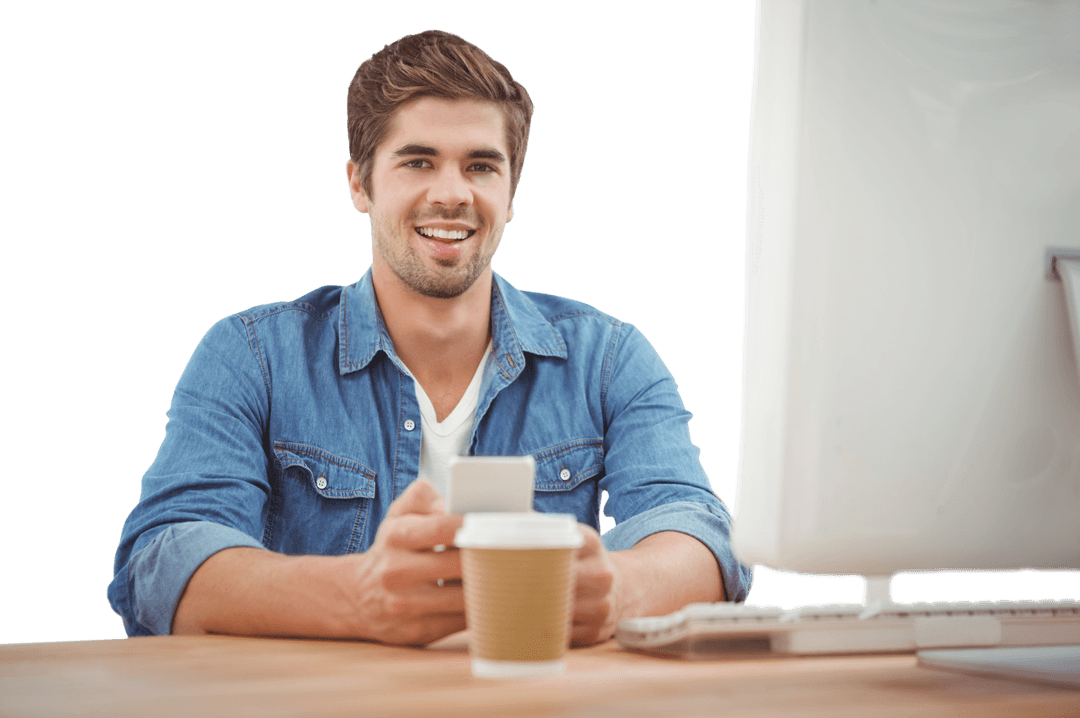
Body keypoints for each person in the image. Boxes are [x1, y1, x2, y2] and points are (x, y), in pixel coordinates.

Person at [107, 29, 752, 647]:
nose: (452, 194)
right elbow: (163, 562)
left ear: (511, 192)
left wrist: (614, 589)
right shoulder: (251, 356)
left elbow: (701, 536)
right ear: (360, 183)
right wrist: (358, 596)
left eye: (481, 166)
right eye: (418, 161)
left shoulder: (610, 359)